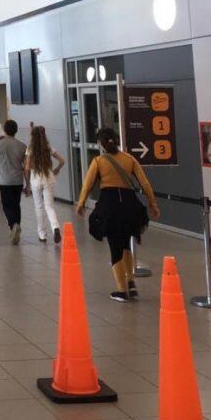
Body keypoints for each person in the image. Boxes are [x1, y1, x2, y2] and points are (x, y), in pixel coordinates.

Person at [77, 127, 161, 303]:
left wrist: (81, 203)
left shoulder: (98, 161)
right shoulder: (129, 159)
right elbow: (145, 184)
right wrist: (152, 204)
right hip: (130, 207)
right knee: (125, 245)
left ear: (100, 143)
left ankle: (122, 291)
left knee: (115, 248)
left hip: (110, 207)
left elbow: (87, 184)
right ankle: (130, 282)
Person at [0, 119, 28, 244]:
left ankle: (13, 225)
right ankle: (17, 226)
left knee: (6, 205)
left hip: (4, 181)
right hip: (18, 181)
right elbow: (26, 167)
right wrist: (28, 185)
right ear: (16, 130)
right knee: (16, 205)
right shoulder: (22, 146)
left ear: (5, 130)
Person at [25, 126, 65, 244]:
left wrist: (27, 183)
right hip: (48, 177)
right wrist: (57, 169)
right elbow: (62, 161)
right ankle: (55, 227)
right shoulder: (48, 148)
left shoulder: (30, 149)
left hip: (36, 179)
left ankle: (42, 235)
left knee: (39, 206)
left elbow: (27, 167)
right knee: (49, 206)